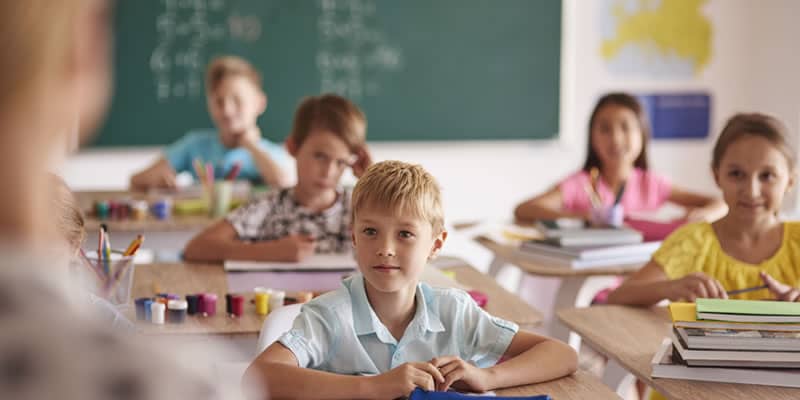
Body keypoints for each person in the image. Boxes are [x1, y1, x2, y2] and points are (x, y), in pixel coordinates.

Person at [245, 160, 578, 399]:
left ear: (435, 245)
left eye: (405, 234)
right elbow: (257, 376)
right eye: (371, 232)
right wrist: (374, 387)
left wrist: (486, 375)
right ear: (355, 239)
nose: (385, 249)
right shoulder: (330, 317)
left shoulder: (455, 312)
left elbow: (562, 354)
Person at [608, 113, 800, 306]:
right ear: (717, 176)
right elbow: (618, 296)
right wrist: (670, 287)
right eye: (736, 174)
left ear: (790, 180)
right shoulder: (693, 242)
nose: (751, 191)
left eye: (767, 176)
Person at [183, 94, 372, 263]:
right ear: (292, 147)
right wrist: (270, 251)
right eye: (320, 156)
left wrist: (372, 178)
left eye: (341, 162)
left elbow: (399, 234)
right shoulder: (270, 206)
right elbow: (196, 248)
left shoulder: (362, 207)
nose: (329, 171)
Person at [514, 92, 727, 227]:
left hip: (638, 275)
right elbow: (524, 209)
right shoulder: (581, 184)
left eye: (626, 127)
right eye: (604, 129)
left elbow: (719, 203)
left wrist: (703, 215)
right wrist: (583, 217)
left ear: (642, 133)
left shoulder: (651, 184)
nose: (615, 139)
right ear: (591, 136)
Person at [130, 55, 291, 190]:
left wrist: (252, 146)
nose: (227, 110)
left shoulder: (271, 153)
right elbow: (136, 180)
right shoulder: (195, 145)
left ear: (259, 103)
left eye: (237, 100)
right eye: (219, 101)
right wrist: (159, 181)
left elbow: (283, 183)